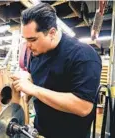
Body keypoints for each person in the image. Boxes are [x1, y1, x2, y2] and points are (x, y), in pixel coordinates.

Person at [11, 3, 102, 138]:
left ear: (52, 33)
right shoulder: (36, 52)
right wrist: (27, 78)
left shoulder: (83, 56)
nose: (28, 45)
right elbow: (36, 78)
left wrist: (34, 89)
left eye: (32, 39)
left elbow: (83, 107)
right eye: (25, 39)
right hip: (39, 131)